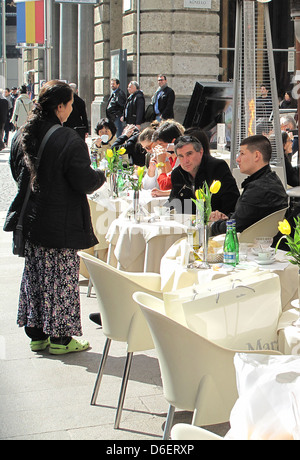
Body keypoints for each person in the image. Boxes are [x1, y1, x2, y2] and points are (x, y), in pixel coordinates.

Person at [3, 80, 106, 355]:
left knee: (36, 278)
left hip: (34, 221)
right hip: (61, 222)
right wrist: (101, 174)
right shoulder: (68, 138)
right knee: (61, 279)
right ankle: (61, 339)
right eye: (70, 104)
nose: (72, 110)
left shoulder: (24, 134)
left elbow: (18, 174)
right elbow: (84, 180)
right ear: (60, 107)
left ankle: (37, 335)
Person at [210, 135, 288, 235]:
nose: (238, 159)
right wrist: (225, 218)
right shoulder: (272, 180)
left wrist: (213, 225)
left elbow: (234, 226)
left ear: (256, 156)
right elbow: (245, 217)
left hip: (253, 244)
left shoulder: (259, 189)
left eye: (242, 154)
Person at [167, 135, 240, 215]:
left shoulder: (217, 167)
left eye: (189, 154)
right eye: (181, 156)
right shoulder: (177, 174)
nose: (185, 161)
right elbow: (173, 205)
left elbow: (232, 202)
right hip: (189, 223)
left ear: (201, 152)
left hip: (218, 222)